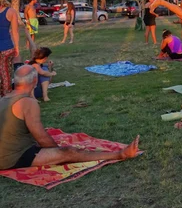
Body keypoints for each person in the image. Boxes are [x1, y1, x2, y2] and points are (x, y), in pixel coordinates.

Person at [0, 65, 140, 170]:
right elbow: (41, 137)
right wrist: (57, 151)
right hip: (11, 158)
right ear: (35, 80)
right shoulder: (28, 102)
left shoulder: (4, 98)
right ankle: (120, 154)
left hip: (8, 151)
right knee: (69, 152)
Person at [0, 0, 19, 97]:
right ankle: (6, 98)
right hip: (7, 47)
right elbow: (15, 32)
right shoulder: (10, 11)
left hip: (5, 48)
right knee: (5, 74)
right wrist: (17, 47)